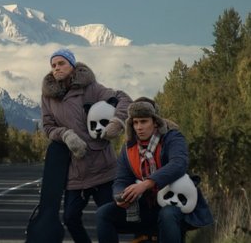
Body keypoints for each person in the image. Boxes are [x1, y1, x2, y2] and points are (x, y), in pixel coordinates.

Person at [41, 48, 132, 243]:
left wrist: (117, 122)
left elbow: (123, 99)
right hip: (74, 173)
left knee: (109, 219)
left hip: (103, 170)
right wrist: (65, 135)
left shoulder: (91, 88)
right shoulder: (48, 96)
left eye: (61, 63)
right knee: (70, 218)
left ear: (72, 65)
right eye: (53, 65)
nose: (57, 68)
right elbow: (48, 127)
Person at [95, 97, 213, 243]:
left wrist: (146, 184)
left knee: (168, 214)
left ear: (155, 122)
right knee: (103, 214)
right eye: (135, 122)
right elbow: (121, 180)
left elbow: (179, 164)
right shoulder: (128, 148)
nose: (139, 127)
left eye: (144, 121)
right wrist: (121, 196)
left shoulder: (173, 138)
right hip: (143, 207)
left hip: (173, 204)